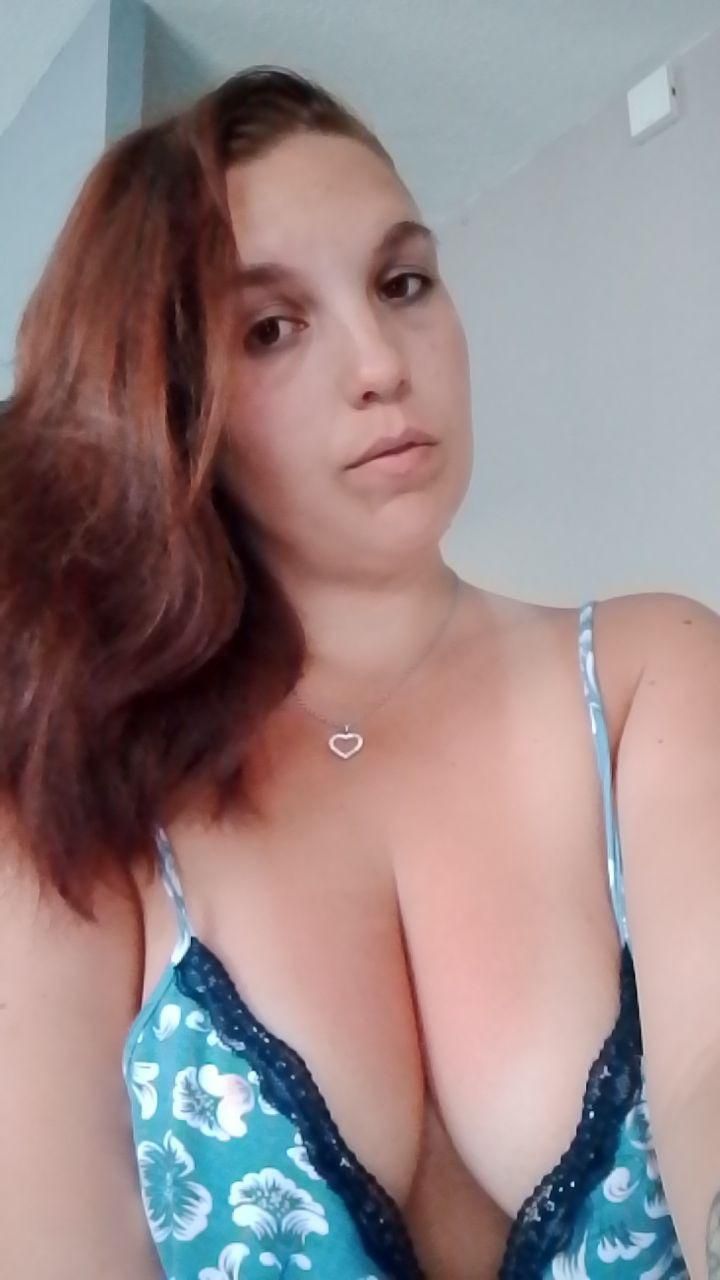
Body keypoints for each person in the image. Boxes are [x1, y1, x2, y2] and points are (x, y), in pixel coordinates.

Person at [0, 64, 718, 1280]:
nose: (381, 359)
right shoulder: (81, 801)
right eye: (272, 327)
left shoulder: (654, 676)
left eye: (402, 282)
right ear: (169, 398)